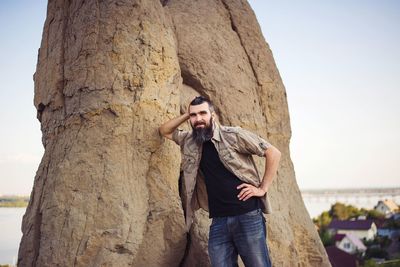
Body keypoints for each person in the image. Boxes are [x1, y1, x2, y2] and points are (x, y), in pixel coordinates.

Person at [159, 96, 281, 267]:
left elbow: (273, 153)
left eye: (203, 113)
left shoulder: (233, 135)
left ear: (213, 115)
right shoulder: (190, 141)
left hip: (247, 216)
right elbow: (164, 130)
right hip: (219, 221)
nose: (198, 118)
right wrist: (187, 115)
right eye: (194, 115)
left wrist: (262, 188)